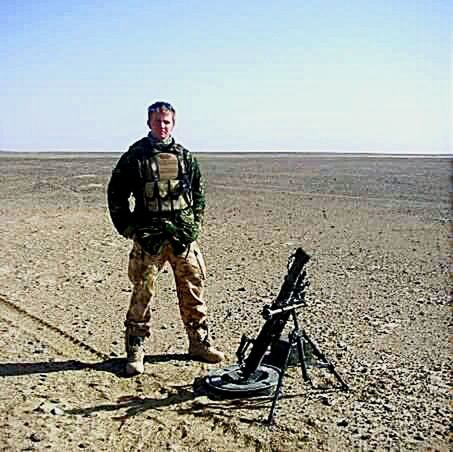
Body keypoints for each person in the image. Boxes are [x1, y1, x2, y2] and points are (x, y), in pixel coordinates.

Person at [107, 101, 224, 375]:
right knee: (142, 293)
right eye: (158, 121)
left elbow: (198, 193)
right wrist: (129, 228)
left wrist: (194, 224)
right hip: (149, 238)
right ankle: (135, 349)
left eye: (167, 121)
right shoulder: (135, 156)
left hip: (182, 237)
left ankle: (199, 343)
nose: (163, 126)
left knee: (193, 290)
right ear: (149, 123)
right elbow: (116, 194)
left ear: (174, 123)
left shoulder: (185, 157)